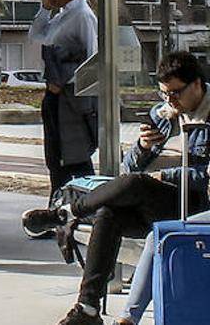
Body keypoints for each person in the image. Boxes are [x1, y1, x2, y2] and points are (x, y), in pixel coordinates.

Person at [22, 51, 210, 325]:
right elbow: (129, 167)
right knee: (109, 213)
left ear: (196, 84)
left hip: (194, 204)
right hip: (153, 201)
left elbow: (206, 176)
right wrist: (144, 148)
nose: (170, 101)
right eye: (164, 94)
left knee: (136, 185)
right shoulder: (164, 114)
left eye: (176, 93)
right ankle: (88, 307)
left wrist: (162, 176)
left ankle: (67, 213)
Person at [29, 0, 99, 199]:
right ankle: (58, 205)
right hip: (54, 96)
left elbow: (91, 57)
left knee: (71, 155)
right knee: (55, 156)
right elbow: (37, 36)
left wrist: (66, 82)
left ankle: (72, 204)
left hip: (69, 99)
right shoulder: (63, 14)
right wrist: (45, 10)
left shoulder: (83, 16)